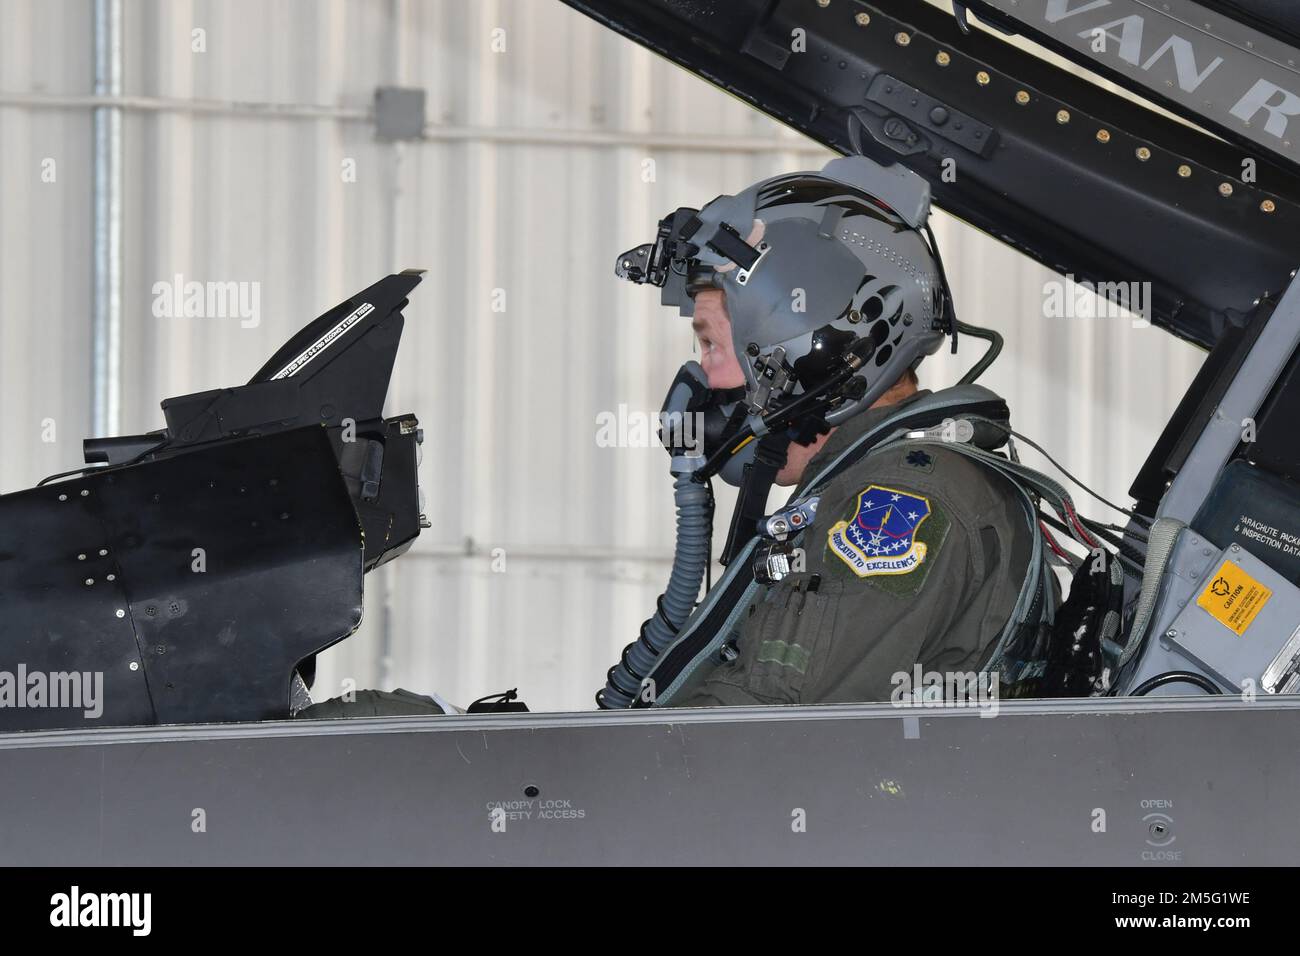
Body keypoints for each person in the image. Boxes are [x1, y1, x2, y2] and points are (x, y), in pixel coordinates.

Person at [601, 154, 1054, 708]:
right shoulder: (862, 486)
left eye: (710, 344)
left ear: (803, 349)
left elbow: (763, 742)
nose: (701, 376)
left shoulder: (906, 500)